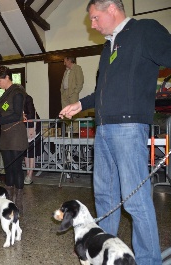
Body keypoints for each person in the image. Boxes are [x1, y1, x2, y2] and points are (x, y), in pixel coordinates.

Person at [59, 1, 171, 264]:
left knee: (136, 202)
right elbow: (102, 91)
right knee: (105, 199)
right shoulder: (108, 46)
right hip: (104, 129)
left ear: (112, 9)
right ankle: (105, 255)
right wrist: (81, 104)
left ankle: (147, 260)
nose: (92, 25)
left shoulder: (144, 30)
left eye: (95, 18)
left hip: (129, 128)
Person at [0, 66, 28, 214]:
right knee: (8, 170)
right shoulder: (5, 95)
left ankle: (19, 203)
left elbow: (16, 115)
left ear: (7, 77)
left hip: (16, 135)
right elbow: (1, 114)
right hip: (6, 136)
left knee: (16, 170)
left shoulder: (17, 92)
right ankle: (9, 202)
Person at [23, 94, 41, 185]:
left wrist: (30, 129)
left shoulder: (27, 98)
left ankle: (30, 174)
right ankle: (27, 173)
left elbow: (31, 113)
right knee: (26, 152)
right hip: (24, 126)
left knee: (31, 152)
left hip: (32, 127)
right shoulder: (13, 98)